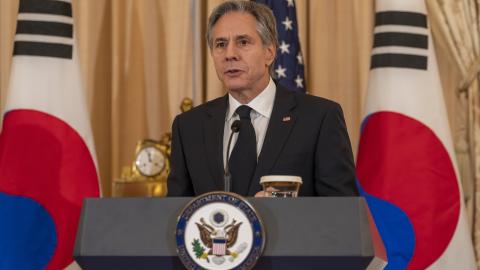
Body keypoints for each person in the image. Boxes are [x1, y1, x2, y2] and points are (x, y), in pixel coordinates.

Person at [167, 0, 358, 197]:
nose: (230, 54)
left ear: (269, 52)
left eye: (243, 42)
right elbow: (175, 216)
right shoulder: (188, 127)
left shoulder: (319, 118)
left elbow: (341, 215)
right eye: (220, 44)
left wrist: (283, 213)